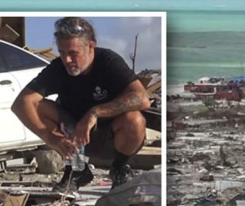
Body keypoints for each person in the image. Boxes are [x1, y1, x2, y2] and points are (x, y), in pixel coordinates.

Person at [11, 17, 150, 192]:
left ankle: (120, 169)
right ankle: (76, 170)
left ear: (91, 46)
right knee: (37, 105)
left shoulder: (108, 61)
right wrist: (50, 138)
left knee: (135, 120)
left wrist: (95, 113)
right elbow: (21, 103)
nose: (67, 60)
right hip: (74, 137)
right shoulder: (58, 68)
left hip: (111, 137)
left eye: (73, 53)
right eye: (62, 52)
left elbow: (141, 98)